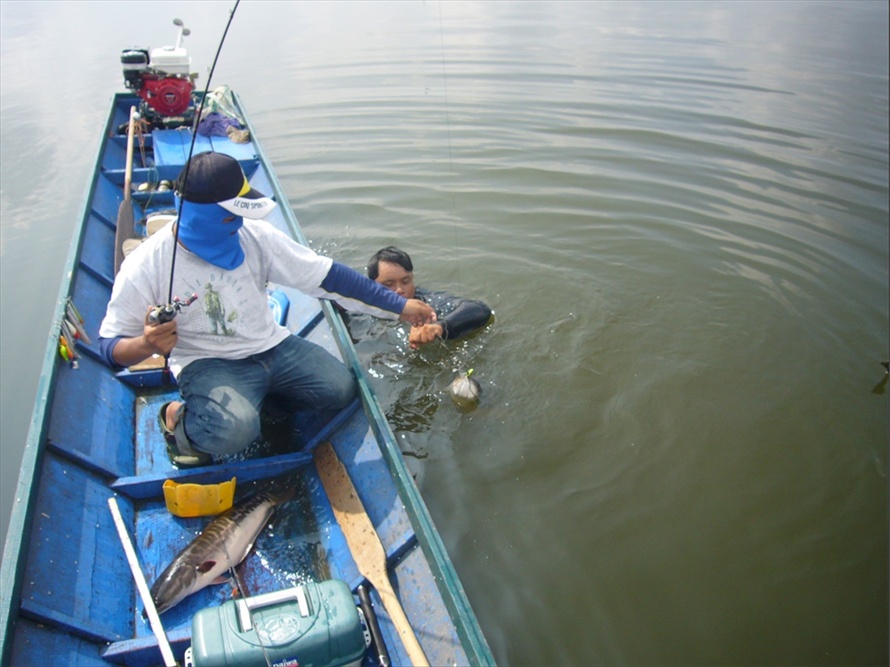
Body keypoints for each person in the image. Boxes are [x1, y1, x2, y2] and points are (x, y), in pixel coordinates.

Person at [98, 151, 436, 467]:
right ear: (205, 216)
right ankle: (177, 418)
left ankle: (261, 399)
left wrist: (399, 306)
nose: (241, 224)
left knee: (340, 390)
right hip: (207, 362)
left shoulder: (257, 237)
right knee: (236, 433)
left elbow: (329, 276)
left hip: (271, 345)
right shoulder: (145, 264)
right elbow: (110, 349)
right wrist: (147, 345)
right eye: (234, 215)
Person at [367, 246, 492, 349]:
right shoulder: (361, 306)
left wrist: (440, 327)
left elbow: (480, 310)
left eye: (405, 281)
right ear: (372, 286)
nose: (400, 290)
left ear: (412, 278)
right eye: (389, 285)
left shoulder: (427, 302)